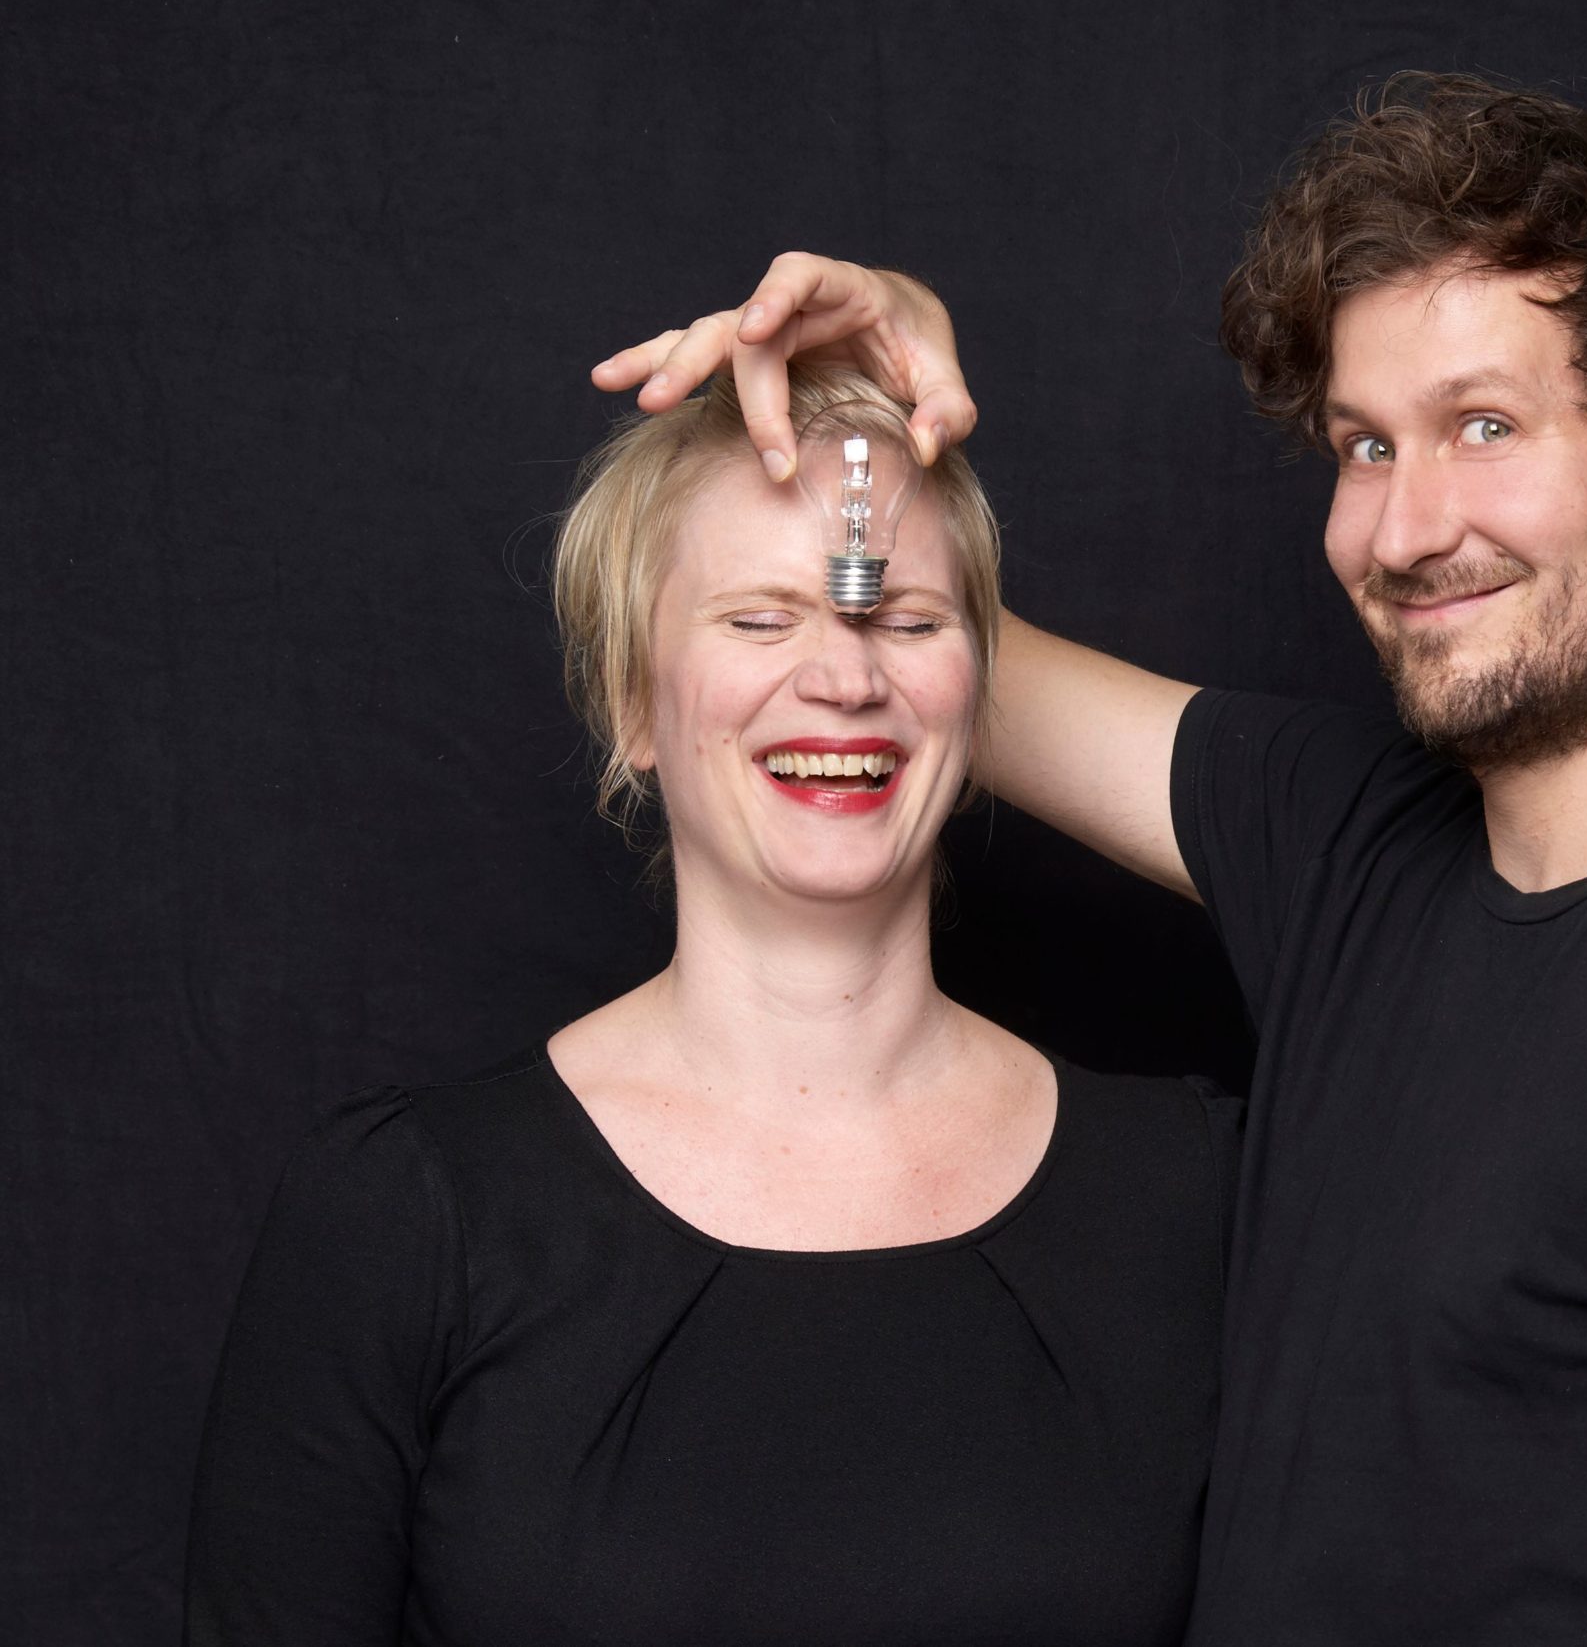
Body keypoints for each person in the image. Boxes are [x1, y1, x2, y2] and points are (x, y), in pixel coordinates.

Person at [599, 74, 1587, 1643]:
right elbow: (915, 672)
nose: (1405, 529)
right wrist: (876, 419)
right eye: (1364, 445)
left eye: (1484, 427)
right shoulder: (1361, 850)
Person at [184, 369, 1234, 1644]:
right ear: (634, 701)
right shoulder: (406, 1213)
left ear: (979, 692)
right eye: (757, 619)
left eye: (905, 620)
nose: (843, 677)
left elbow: (1418, 871)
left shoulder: (1194, 1192)